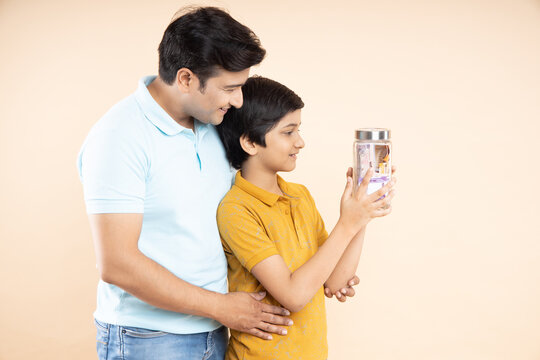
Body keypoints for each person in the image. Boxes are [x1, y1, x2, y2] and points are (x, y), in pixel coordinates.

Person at [77, 7, 295, 360]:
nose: (238, 100)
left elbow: (248, 204)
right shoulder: (119, 136)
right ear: (186, 79)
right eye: (230, 88)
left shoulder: (214, 122)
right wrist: (222, 308)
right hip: (148, 340)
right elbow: (117, 263)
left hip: (216, 331)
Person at [216, 76, 396, 360]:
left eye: (299, 130)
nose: (300, 142)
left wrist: (361, 215)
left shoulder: (300, 197)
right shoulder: (236, 209)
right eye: (288, 132)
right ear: (250, 142)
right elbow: (293, 296)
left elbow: (336, 281)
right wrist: (347, 223)